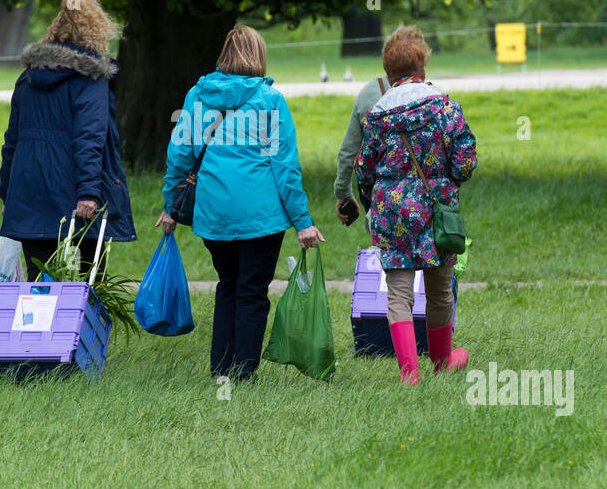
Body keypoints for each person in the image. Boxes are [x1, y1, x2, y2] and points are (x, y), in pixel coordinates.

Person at [157, 25, 324, 381]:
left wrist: (170, 204)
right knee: (252, 290)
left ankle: (221, 370)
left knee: (227, 284)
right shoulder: (270, 101)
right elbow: (285, 167)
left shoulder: (198, 96)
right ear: (259, 56)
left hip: (214, 212)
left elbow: (180, 156)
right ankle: (244, 372)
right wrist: (303, 221)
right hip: (260, 215)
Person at [355, 35, 476, 384]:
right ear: (422, 68)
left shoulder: (377, 116)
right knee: (439, 291)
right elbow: (465, 164)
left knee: (399, 294)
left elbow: (363, 170)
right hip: (437, 211)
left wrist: (377, 195)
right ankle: (441, 363)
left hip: (393, 214)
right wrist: (444, 181)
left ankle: (410, 375)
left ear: (388, 73)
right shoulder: (446, 108)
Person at [0, 0, 136, 279]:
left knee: (38, 280)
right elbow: (90, 137)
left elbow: (11, 140)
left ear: (56, 28)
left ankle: (40, 325)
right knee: (91, 279)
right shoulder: (91, 80)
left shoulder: (27, 78)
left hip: (29, 188)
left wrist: (7, 195)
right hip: (75, 189)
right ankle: (80, 325)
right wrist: (88, 191)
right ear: (98, 30)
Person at [334, 25, 432, 224]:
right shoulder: (435, 99)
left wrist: (343, 192)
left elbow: (349, 151)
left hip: (381, 199)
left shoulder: (369, 94)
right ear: (422, 64)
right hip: (427, 197)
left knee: (384, 252)